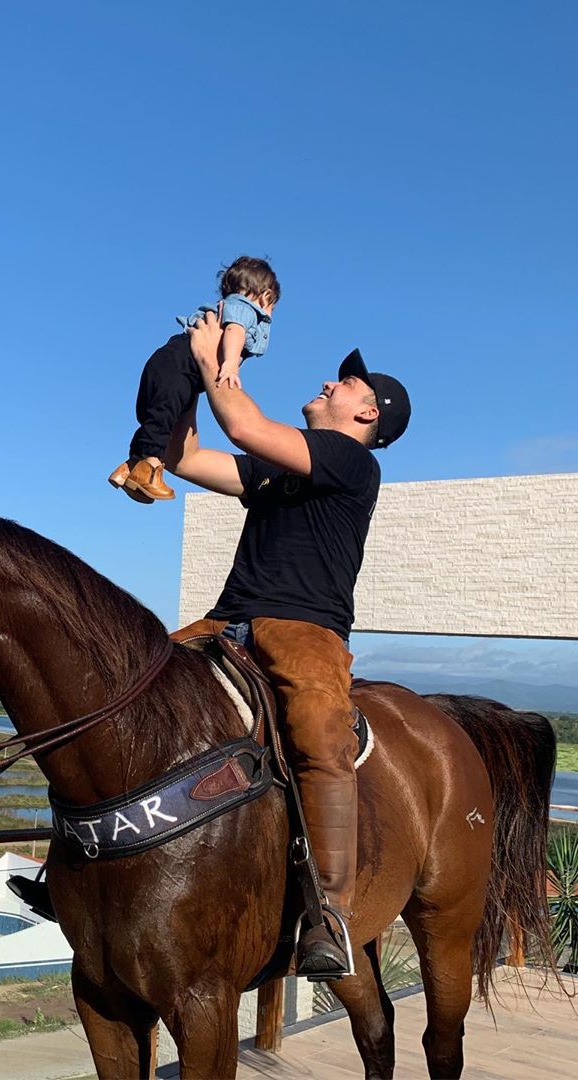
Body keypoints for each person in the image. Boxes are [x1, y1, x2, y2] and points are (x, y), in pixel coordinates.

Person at [166, 311, 411, 978]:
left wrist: (226, 359)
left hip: (305, 629)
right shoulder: (279, 469)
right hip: (224, 620)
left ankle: (328, 911)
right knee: (132, 681)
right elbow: (185, 456)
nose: (332, 384)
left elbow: (242, 423)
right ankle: (79, 862)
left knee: (318, 728)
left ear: (368, 417)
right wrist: (186, 367)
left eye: (349, 386)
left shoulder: (350, 462)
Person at [109, 256, 280, 503]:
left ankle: (129, 469)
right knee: (163, 417)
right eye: (272, 306)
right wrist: (231, 364)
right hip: (180, 364)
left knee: (159, 420)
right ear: (265, 296)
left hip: (169, 362)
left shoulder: (227, 305)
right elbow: (234, 331)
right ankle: (150, 470)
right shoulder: (245, 309)